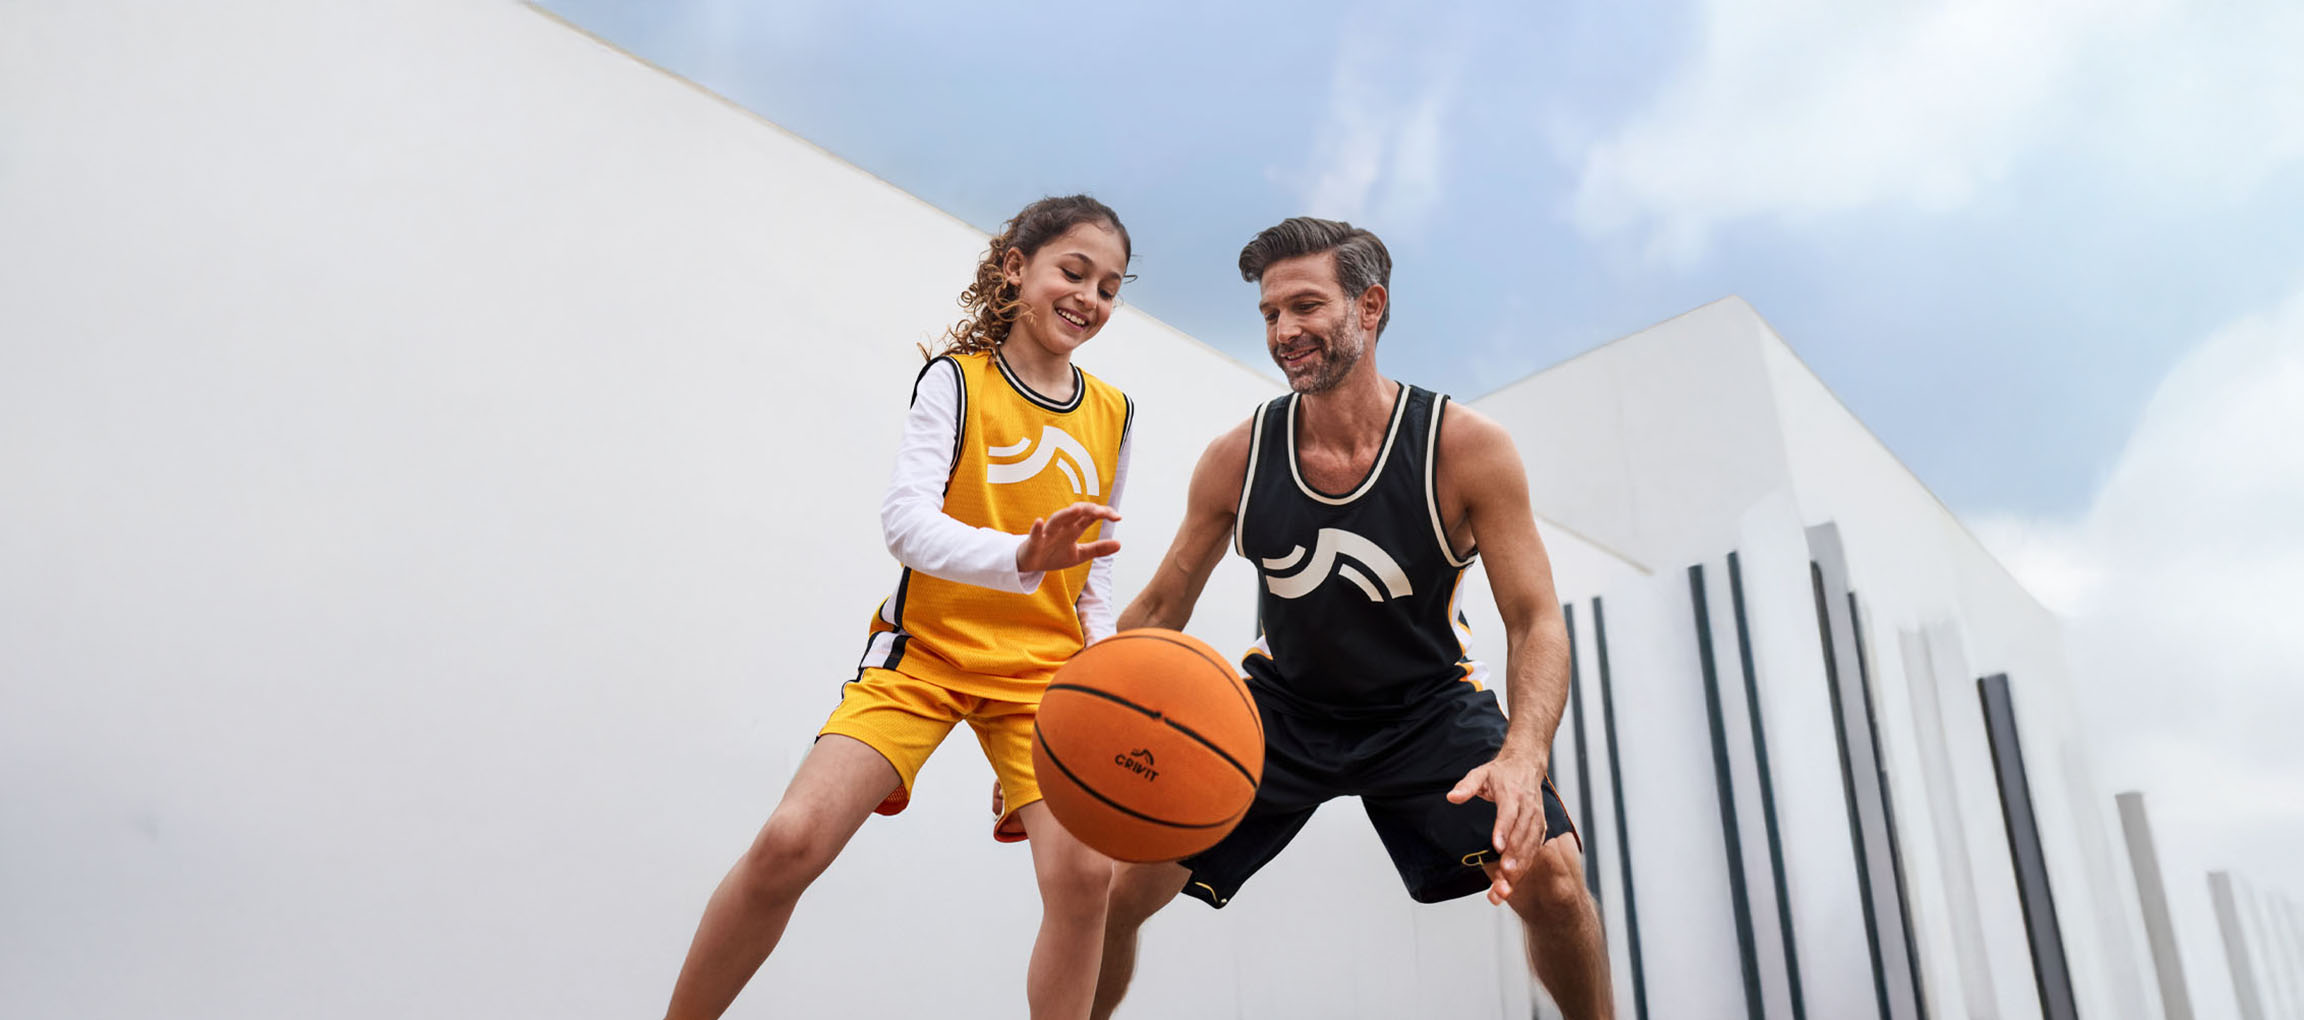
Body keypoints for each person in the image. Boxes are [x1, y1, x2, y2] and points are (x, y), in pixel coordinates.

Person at [1091, 217, 1613, 1019]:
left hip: (1426, 709)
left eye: (1305, 306)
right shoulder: (1239, 456)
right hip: (1279, 714)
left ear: (1370, 308)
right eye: (1269, 314)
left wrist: (1523, 755)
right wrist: (1076, 713)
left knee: (1556, 879)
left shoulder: (1464, 448)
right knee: (1113, 896)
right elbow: (1163, 606)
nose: (1283, 331)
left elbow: (1535, 618)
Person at [661, 195, 1137, 1020]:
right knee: (787, 844)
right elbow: (906, 525)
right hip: (924, 658)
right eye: (1074, 271)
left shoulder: (1115, 414)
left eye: (1109, 286)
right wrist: (1020, 556)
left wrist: (1099, 676)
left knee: (1087, 879)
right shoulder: (956, 381)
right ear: (1016, 267)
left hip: (1042, 682)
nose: (1089, 297)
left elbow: (1092, 579)